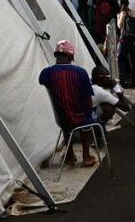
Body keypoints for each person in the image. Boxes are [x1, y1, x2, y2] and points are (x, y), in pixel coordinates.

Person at [39, 39, 97, 167]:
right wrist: (91, 110)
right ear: (71, 56)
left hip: (62, 119)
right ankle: (86, 156)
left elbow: (42, 81)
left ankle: (70, 155)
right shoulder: (81, 72)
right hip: (80, 116)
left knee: (65, 114)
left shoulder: (46, 73)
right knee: (87, 116)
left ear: (56, 55)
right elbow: (89, 99)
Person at [115, 0, 135, 87]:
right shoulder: (133, 13)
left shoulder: (122, 13)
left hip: (124, 40)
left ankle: (122, 81)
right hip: (134, 40)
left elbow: (120, 26)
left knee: (121, 60)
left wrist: (119, 17)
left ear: (119, 5)